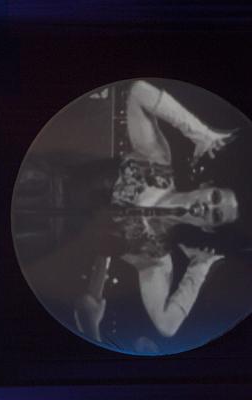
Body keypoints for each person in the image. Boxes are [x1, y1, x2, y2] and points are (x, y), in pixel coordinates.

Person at [69, 80, 246, 341]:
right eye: (216, 197)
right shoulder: (157, 160)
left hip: (47, 240)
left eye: (216, 215)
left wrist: (198, 270)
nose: (209, 206)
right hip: (47, 175)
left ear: (208, 227)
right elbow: (139, 92)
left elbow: (167, 326)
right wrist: (202, 135)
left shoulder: (155, 258)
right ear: (206, 187)